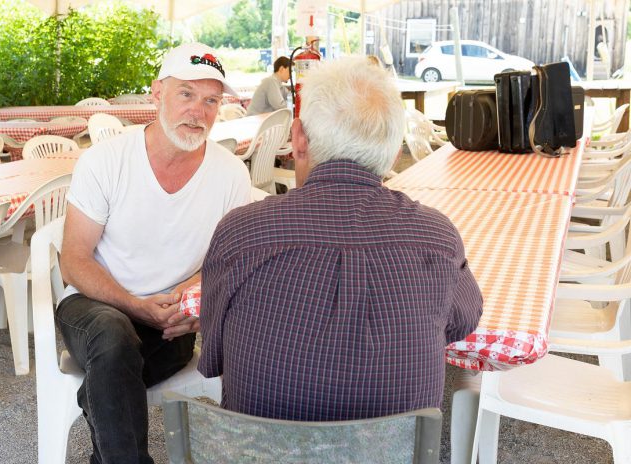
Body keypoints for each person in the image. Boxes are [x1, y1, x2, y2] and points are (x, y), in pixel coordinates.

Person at [198, 56, 483, 422]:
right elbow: (462, 321)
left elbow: (215, 346)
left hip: (261, 452)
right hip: (392, 453)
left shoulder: (241, 232)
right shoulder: (436, 237)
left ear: (298, 139)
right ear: (395, 152)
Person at [56, 42, 251, 463]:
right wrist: (134, 305)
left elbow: (232, 262)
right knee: (113, 336)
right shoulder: (106, 161)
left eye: (211, 100)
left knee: (109, 372)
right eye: (186, 94)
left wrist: (194, 301)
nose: (198, 112)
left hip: (172, 320)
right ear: (157, 92)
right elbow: (73, 259)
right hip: (94, 305)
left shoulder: (231, 173)